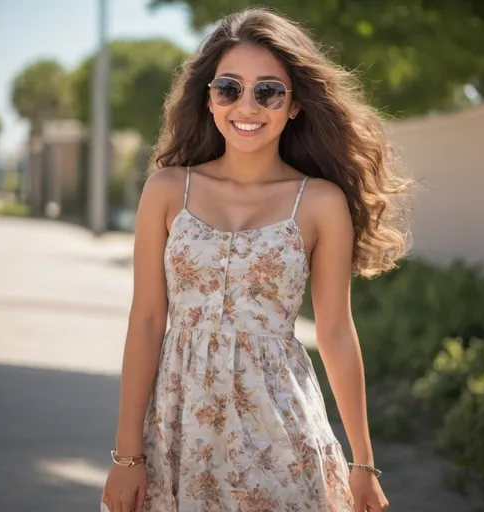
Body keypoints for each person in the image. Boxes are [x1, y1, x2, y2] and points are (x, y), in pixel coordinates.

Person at [101, 6, 410, 512]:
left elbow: (335, 332)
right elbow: (148, 320)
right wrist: (127, 455)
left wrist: (363, 463)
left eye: (268, 90)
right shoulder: (165, 192)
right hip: (179, 431)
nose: (247, 105)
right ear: (209, 99)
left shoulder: (320, 202)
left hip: (283, 436)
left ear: (294, 105)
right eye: (230, 89)